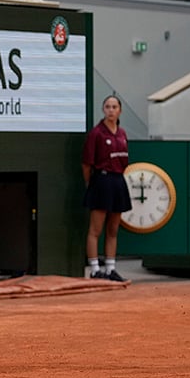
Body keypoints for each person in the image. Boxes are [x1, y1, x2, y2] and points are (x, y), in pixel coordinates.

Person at [82, 95, 131, 283]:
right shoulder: (96, 133)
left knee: (113, 229)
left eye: (114, 107)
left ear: (120, 110)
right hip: (101, 181)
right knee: (95, 229)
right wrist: (90, 184)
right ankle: (95, 269)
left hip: (118, 181)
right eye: (107, 107)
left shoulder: (122, 133)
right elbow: (86, 164)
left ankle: (111, 268)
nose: (111, 110)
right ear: (103, 110)